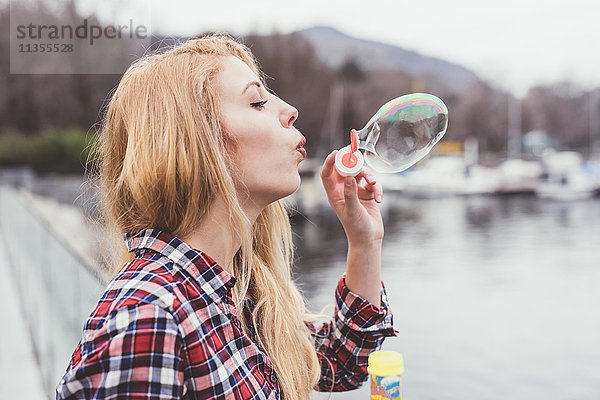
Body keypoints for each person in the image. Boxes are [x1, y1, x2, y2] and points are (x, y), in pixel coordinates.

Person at [56, 34, 396, 400]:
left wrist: (365, 242)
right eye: (257, 101)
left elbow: (339, 363)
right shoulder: (150, 316)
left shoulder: (242, 295)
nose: (290, 110)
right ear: (198, 141)